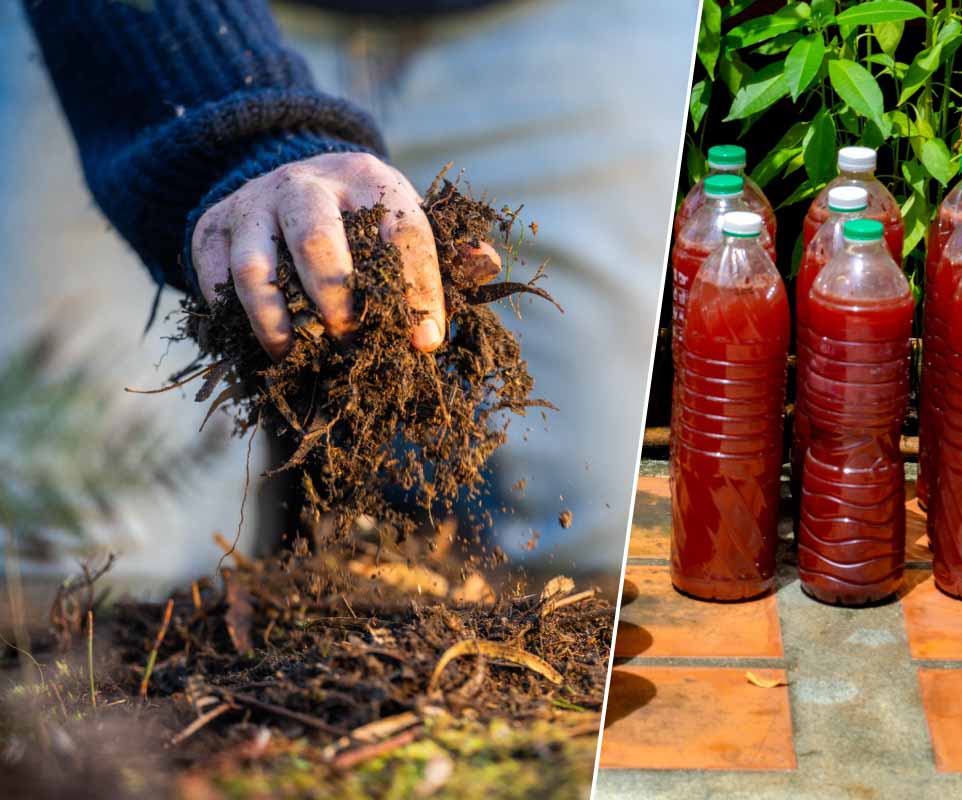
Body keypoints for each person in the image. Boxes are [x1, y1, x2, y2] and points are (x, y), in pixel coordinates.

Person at [14, 0, 696, 582]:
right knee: (77, 548)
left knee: (604, 541)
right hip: (159, 35)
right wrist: (238, 132)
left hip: (569, 31)